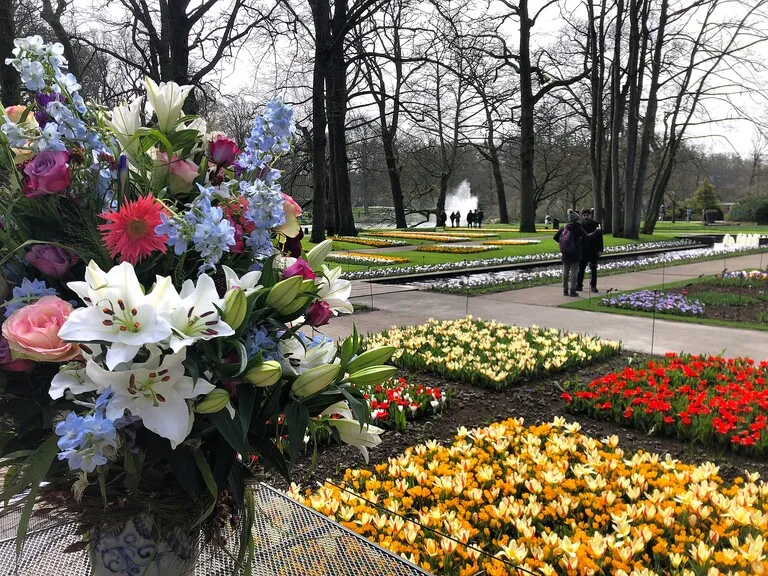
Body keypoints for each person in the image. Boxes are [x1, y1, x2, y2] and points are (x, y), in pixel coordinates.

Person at [553, 210, 591, 297]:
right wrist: (597, 232)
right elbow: (587, 237)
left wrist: (563, 243)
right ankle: (572, 290)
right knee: (574, 272)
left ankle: (565, 290)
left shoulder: (565, 227)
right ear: (576, 219)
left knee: (565, 271)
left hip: (565, 252)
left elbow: (555, 237)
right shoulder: (577, 227)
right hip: (575, 252)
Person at [576, 208, 603, 293]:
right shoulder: (580, 225)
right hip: (583, 249)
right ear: (582, 216)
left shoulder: (596, 225)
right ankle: (579, 285)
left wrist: (600, 249)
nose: (586, 217)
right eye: (584, 215)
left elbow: (600, 238)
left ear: (590, 215)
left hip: (593, 249)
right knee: (581, 268)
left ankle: (593, 286)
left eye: (587, 215)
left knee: (594, 269)